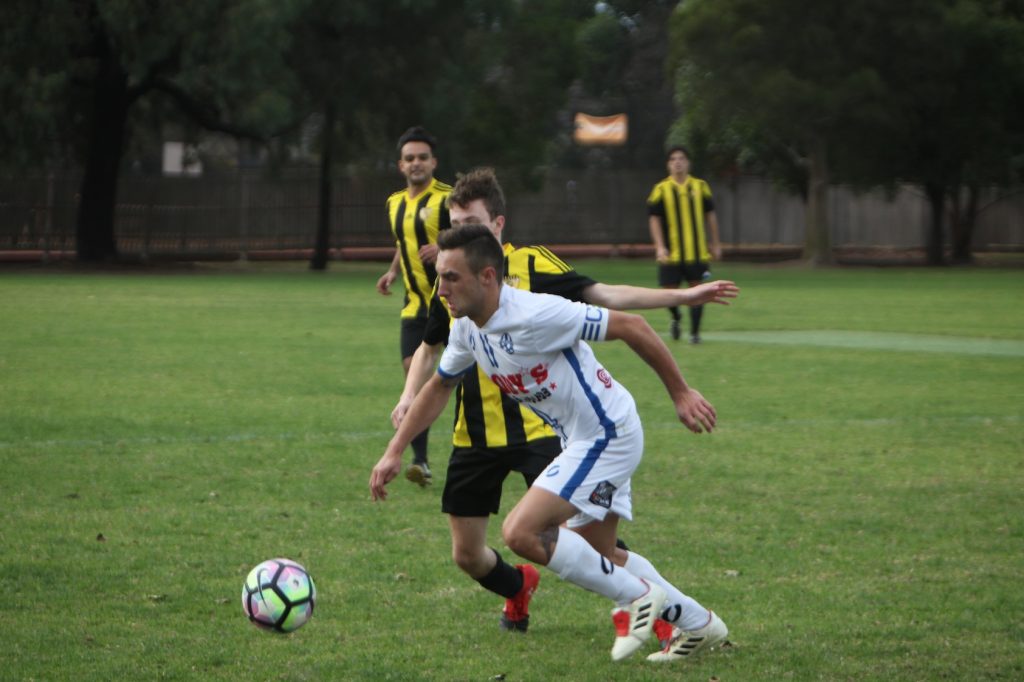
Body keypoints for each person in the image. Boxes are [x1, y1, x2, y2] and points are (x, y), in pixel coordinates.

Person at [380, 168, 737, 640]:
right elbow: (439, 384)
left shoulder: (534, 310)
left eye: (449, 278)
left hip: (607, 432)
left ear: (489, 263)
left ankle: (649, 605)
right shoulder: (465, 322)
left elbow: (628, 322)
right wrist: (395, 449)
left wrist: (681, 391)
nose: (440, 289)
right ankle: (702, 625)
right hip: (572, 435)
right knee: (601, 552)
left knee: (520, 533)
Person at [376, 126, 452, 486]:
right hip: (414, 304)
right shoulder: (394, 202)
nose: (416, 163)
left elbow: (473, 234)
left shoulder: (448, 199)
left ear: (434, 162)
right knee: (414, 372)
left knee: (481, 379)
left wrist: (444, 247)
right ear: (401, 165)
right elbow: (402, 241)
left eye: (423, 157)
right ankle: (420, 460)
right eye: (410, 158)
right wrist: (393, 271)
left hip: (453, 303)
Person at [647, 146, 722, 344]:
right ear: (668, 164)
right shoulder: (661, 189)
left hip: (697, 253)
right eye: (673, 159)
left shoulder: (700, 186)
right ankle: (676, 317)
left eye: (681, 158)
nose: (677, 162)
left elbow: (710, 215)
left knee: (698, 291)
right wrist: (659, 246)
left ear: (688, 163)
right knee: (668, 291)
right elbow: (654, 219)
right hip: (671, 253)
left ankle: (695, 334)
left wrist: (715, 243)